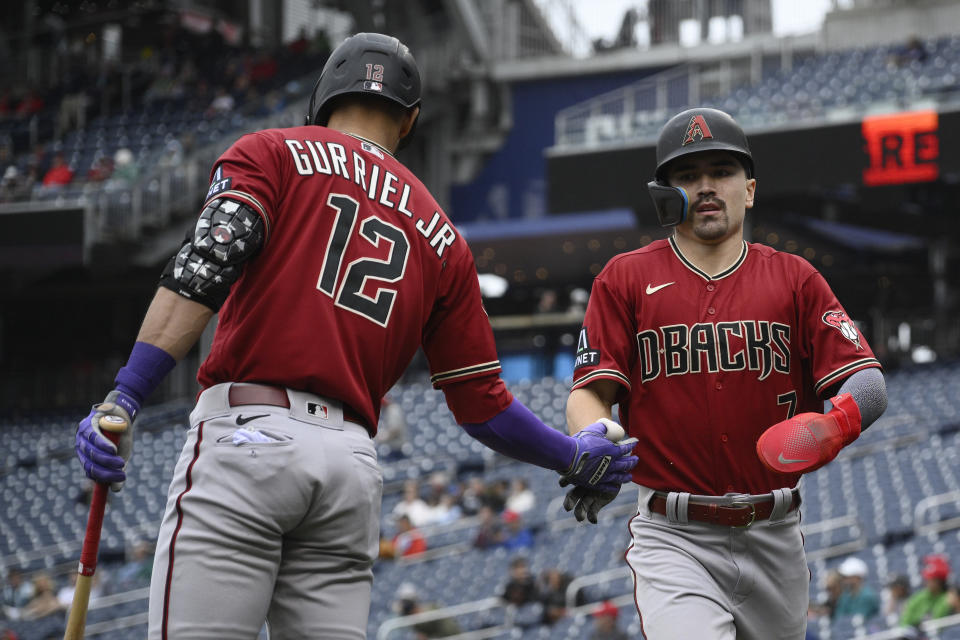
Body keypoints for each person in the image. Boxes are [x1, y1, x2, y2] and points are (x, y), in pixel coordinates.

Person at [72, 32, 636, 640]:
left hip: (247, 439)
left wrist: (126, 395)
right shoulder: (444, 236)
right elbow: (482, 407)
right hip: (349, 465)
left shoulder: (270, 152)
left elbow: (204, 268)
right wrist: (569, 454)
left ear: (322, 99)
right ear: (410, 120)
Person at [563, 106, 888, 640]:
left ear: (750, 189)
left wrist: (837, 424)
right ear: (665, 192)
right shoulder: (624, 279)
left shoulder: (796, 279)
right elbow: (590, 393)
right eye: (688, 175)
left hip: (776, 534)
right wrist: (591, 438)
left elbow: (868, 382)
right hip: (675, 535)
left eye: (722, 171)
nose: (707, 186)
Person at [900, 555, 953, 628]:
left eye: (933, 580)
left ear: (941, 581)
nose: (929, 583)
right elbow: (904, 623)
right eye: (928, 580)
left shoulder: (949, 597)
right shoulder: (918, 598)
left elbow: (939, 620)